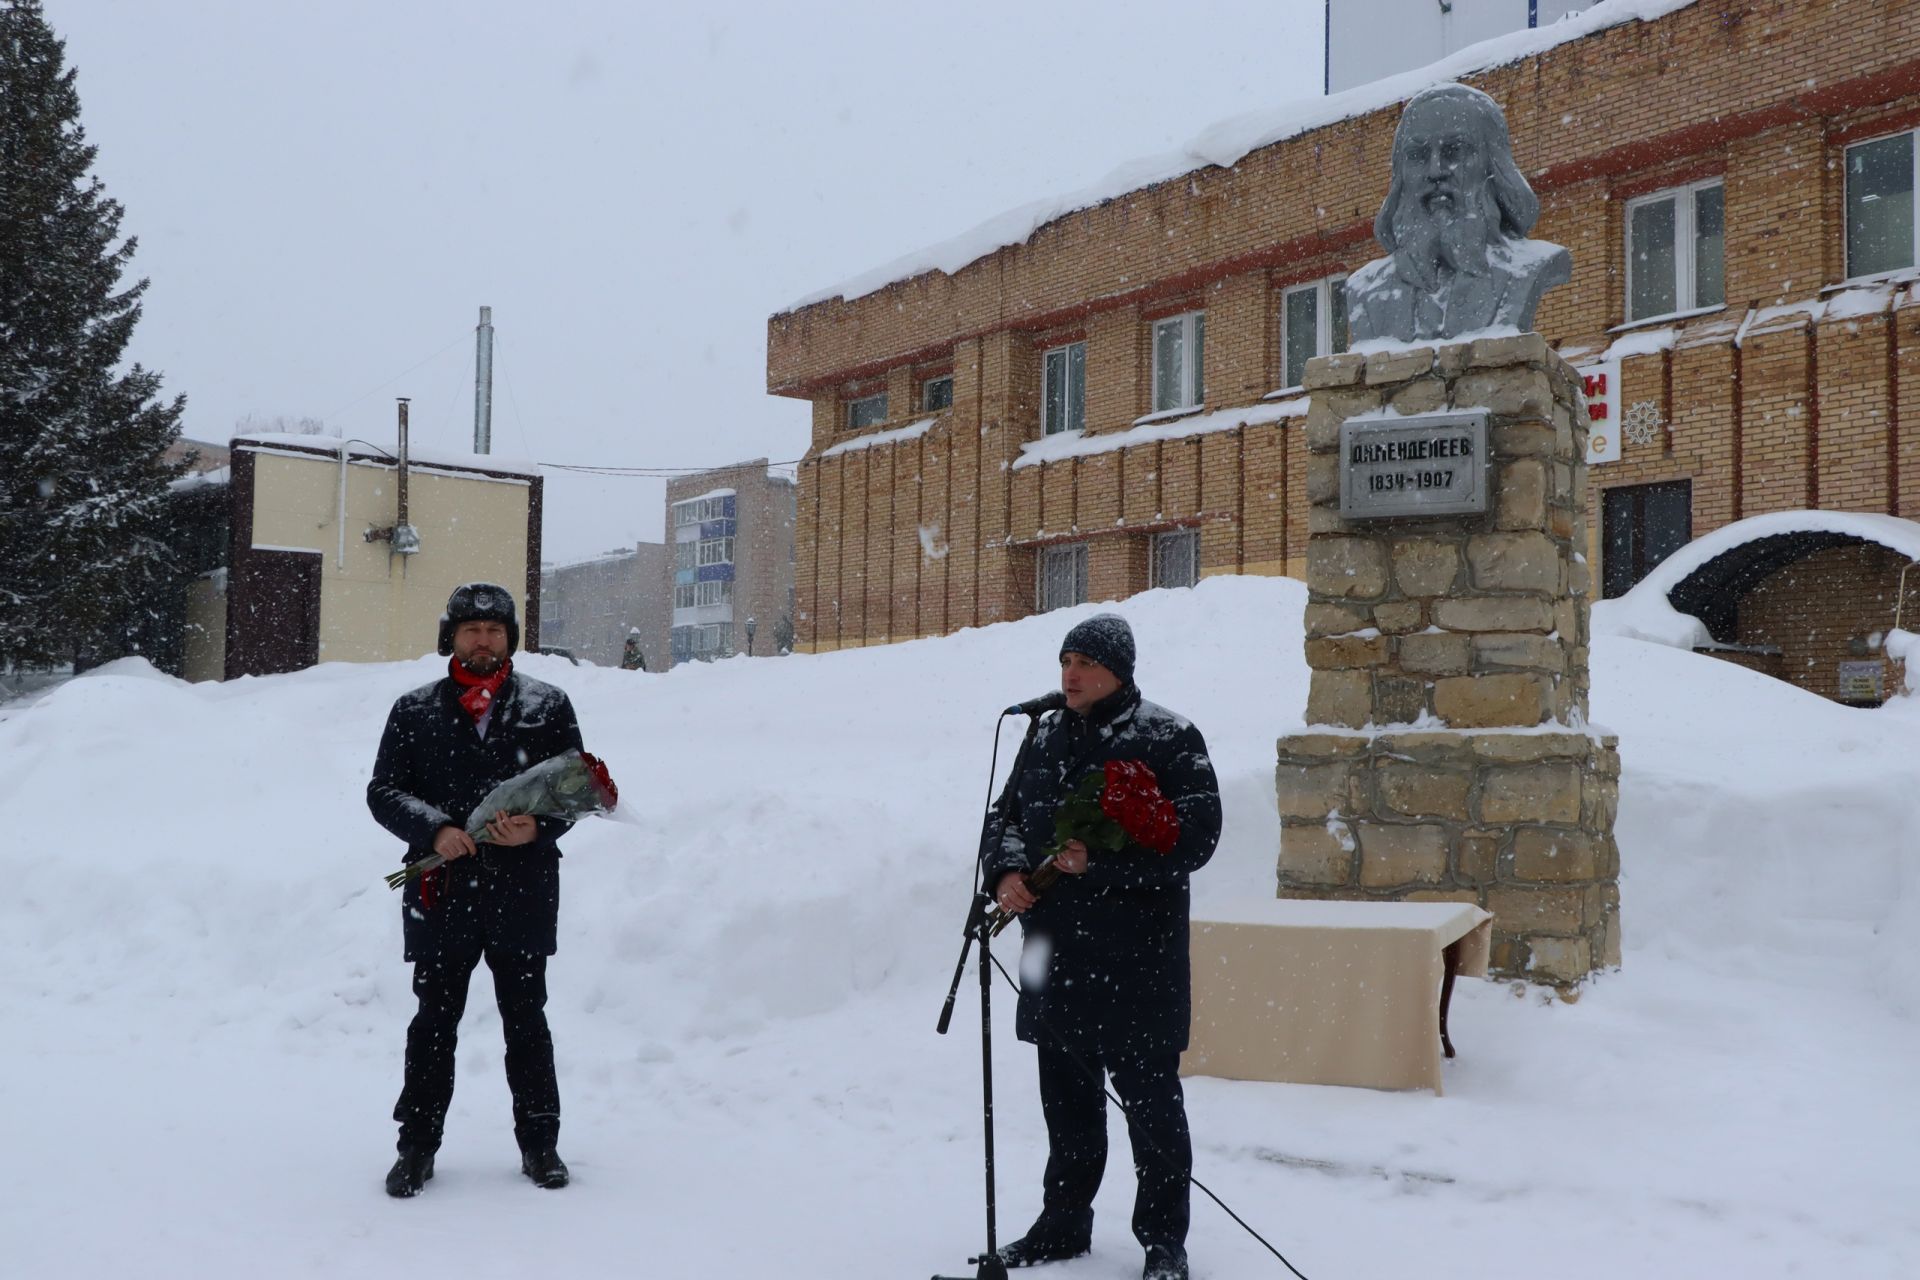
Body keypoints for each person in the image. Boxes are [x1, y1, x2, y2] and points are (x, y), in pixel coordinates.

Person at [984, 614, 1222, 1280]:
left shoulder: (1169, 737)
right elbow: (1006, 818)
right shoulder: (1044, 733)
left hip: (1136, 961)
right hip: (1055, 953)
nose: (1071, 674)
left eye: (1085, 662)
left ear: (1120, 670)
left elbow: (1197, 840)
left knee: (1152, 1110)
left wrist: (1104, 867)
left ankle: (1163, 1243)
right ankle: (1062, 1225)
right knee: (1066, 1103)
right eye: (1065, 661)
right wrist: (1006, 874)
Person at [367, 582, 585, 1197]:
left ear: (509, 638)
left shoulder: (548, 705)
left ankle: (541, 1146)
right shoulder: (413, 710)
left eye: (494, 629)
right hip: (441, 894)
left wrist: (537, 829)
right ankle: (416, 1147)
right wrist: (434, 830)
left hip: (523, 889)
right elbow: (383, 792)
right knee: (433, 1023)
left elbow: (575, 789)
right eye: (471, 629)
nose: (483, 639)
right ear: (451, 638)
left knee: (527, 1023)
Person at [1345, 82, 1571, 343]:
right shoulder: (1366, 287)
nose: (1435, 170)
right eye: (1418, 155)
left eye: (1455, 150)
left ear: (1492, 164)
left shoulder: (1530, 266)